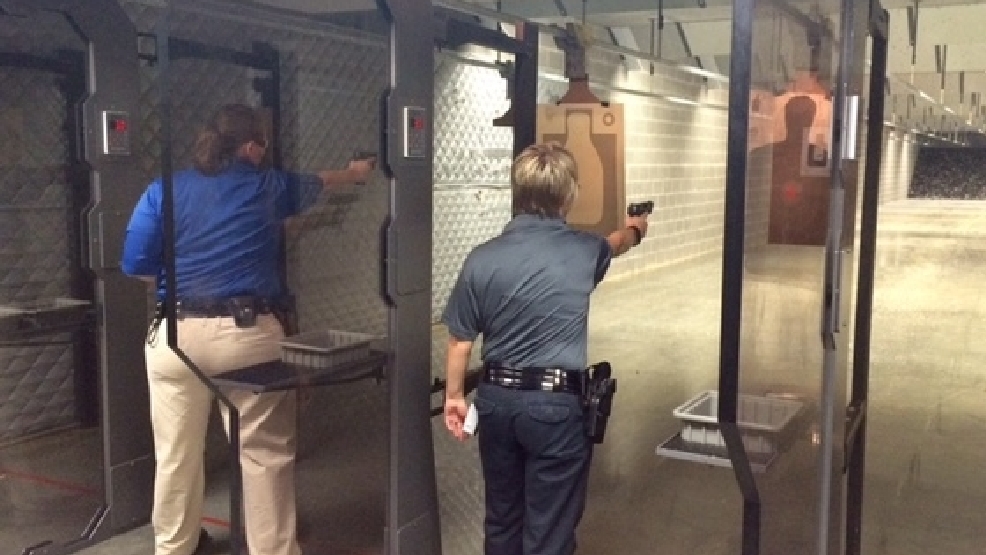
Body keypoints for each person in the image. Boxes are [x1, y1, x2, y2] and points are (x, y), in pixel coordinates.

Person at [121, 103, 374, 555]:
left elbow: (137, 266)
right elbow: (320, 180)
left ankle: (173, 548)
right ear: (251, 147)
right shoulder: (267, 186)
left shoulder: (163, 190)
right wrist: (355, 173)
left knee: (175, 455)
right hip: (246, 335)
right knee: (264, 455)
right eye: (264, 145)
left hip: (174, 336)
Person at [441, 142, 650, 555]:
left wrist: (454, 397)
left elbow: (459, 340)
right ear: (568, 195)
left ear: (517, 193)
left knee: (502, 521)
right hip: (555, 409)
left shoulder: (480, 258)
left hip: (495, 403)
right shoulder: (584, 251)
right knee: (549, 531)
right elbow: (616, 242)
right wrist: (637, 229)